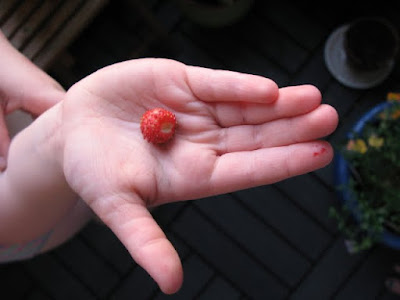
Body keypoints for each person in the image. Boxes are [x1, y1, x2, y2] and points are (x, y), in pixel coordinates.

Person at [0, 30, 338, 294]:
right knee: (98, 195)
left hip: (66, 145)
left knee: (108, 190)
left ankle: (118, 195)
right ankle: (111, 197)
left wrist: (17, 74)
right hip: (28, 212)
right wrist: (59, 134)